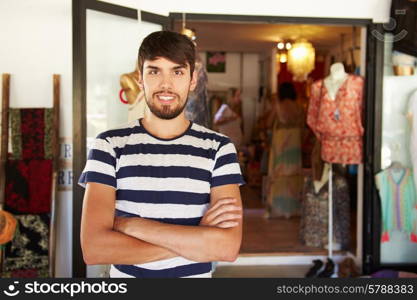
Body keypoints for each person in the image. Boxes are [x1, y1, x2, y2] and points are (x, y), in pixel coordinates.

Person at [78, 31, 245, 278]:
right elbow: (94, 249)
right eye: (154, 71)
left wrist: (129, 225)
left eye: (177, 72)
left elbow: (227, 248)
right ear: (139, 78)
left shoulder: (219, 149)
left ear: (192, 80)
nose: (166, 84)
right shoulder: (109, 146)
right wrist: (196, 237)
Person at [266, 82, 303, 218]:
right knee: (293, 175)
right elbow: (304, 125)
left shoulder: (278, 106)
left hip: (281, 142)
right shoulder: (299, 107)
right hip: (294, 143)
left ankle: (277, 208)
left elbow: (269, 123)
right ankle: (292, 209)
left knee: (278, 174)